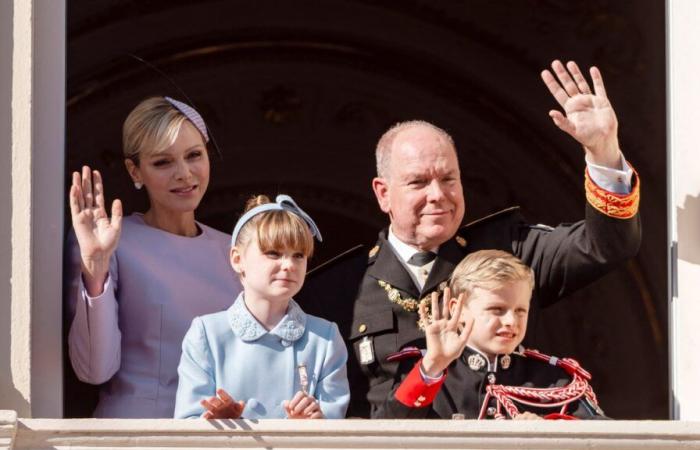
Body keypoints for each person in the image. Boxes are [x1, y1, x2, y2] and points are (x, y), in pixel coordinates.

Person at [297, 60, 641, 417]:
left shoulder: (508, 249)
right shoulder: (336, 290)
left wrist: (603, 152)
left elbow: (607, 246)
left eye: (449, 179)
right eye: (419, 182)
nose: (438, 195)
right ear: (383, 193)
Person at [65, 96, 242, 418]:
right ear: (135, 170)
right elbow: (94, 370)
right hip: (139, 433)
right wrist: (96, 265)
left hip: (221, 436)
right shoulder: (113, 242)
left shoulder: (235, 249)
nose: (184, 173)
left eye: (194, 155)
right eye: (163, 162)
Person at [174, 194, 349, 419]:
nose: (288, 265)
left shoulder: (324, 338)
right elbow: (186, 427)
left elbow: (337, 433)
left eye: (298, 255)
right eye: (273, 253)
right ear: (237, 259)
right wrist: (218, 424)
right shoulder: (206, 334)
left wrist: (312, 424)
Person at [378, 250, 606, 420]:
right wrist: (433, 367)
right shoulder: (425, 373)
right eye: (496, 309)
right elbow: (382, 437)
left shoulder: (554, 380)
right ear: (460, 309)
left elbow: (609, 438)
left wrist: (552, 432)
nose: (510, 321)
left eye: (520, 311)